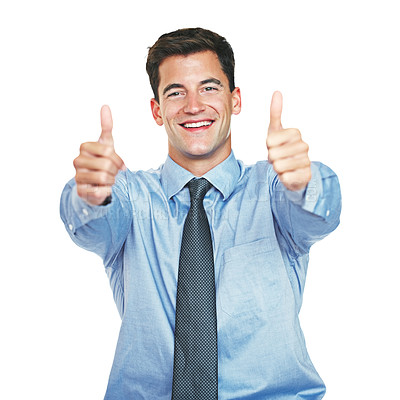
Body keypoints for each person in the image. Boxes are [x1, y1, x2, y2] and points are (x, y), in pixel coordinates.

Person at [60, 27, 341, 399]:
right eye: (176, 92)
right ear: (157, 111)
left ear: (235, 100)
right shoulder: (130, 195)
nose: (193, 105)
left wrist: (304, 181)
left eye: (209, 88)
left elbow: (320, 212)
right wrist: (91, 194)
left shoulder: (274, 191)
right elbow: (89, 222)